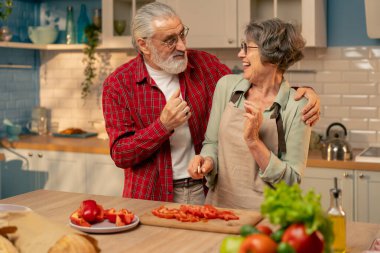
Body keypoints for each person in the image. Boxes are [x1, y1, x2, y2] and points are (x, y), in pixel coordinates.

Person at [102, 2, 319, 204]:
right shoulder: (119, 84)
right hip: (151, 195)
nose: (182, 46)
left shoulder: (205, 66)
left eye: (182, 34)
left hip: (203, 191)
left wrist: (299, 93)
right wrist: (163, 126)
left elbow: (258, 81)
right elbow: (121, 154)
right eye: (170, 40)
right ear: (144, 44)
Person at [187, 18, 312, 210]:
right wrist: (207, 161)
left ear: (272, 54)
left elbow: (291, 181)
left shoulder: (297, 105)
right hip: (218, 209)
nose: (240, 54)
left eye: (247, 48)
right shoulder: (226, 87)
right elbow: (211, 143)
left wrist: (254, 141)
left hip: (268, 217)